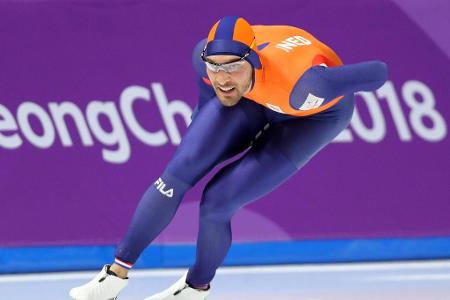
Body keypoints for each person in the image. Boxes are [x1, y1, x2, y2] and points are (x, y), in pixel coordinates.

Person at [69, 16, 388, 300]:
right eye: (215, 66)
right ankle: (113, 277)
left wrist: (332, 82)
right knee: (178, 172)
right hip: (252, 95)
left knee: (217, 202)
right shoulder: (206, 61)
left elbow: (377, 72)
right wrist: (200, 115)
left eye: (233, 65)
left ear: (254, 61)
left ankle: (195, 289)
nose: (222, 77)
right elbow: (213, 86)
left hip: (311, 117)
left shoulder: (306, 86)